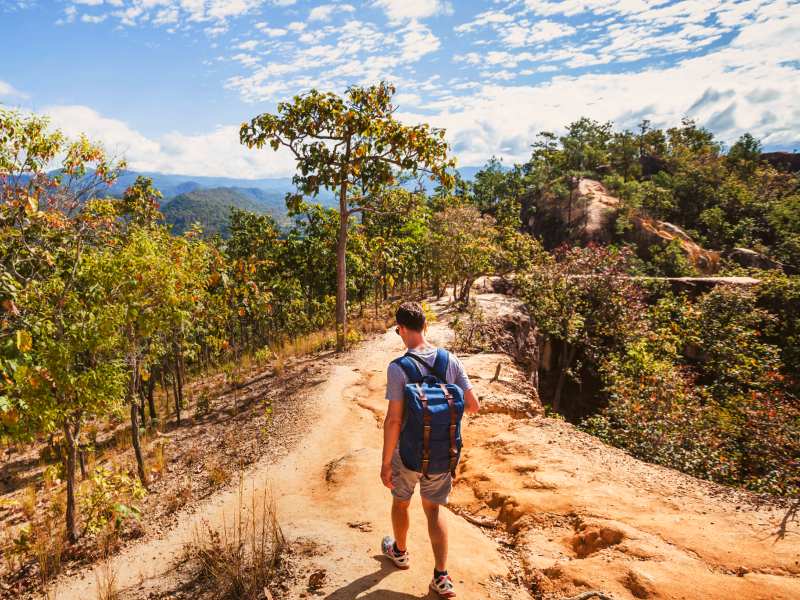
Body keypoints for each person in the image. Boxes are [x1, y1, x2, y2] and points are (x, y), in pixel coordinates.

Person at [380, 301, 480, 598]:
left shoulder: (398, 368)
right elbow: (473, 405)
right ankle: (441, 577)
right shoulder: (450, 361)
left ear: (400, 330)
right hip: (441, 454)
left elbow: (394, 420)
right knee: (433, 510)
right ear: (426, 326)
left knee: (401, 503)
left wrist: (386, 463)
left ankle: (399, 552)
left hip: (408, 454)